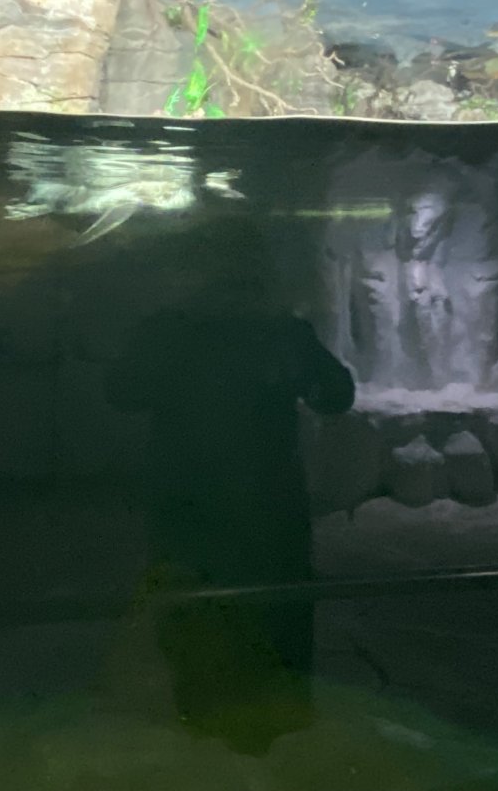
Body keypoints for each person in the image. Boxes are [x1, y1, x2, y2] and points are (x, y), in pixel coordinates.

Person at [104, 228, 355, 756]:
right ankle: (272, 733)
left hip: (192, 504)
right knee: (271, 613)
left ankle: (210, 728)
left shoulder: (173, 330)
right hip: (264, 505)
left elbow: (122, 390)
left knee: (202, 614)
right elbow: (336, 395)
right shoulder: (279, 332)